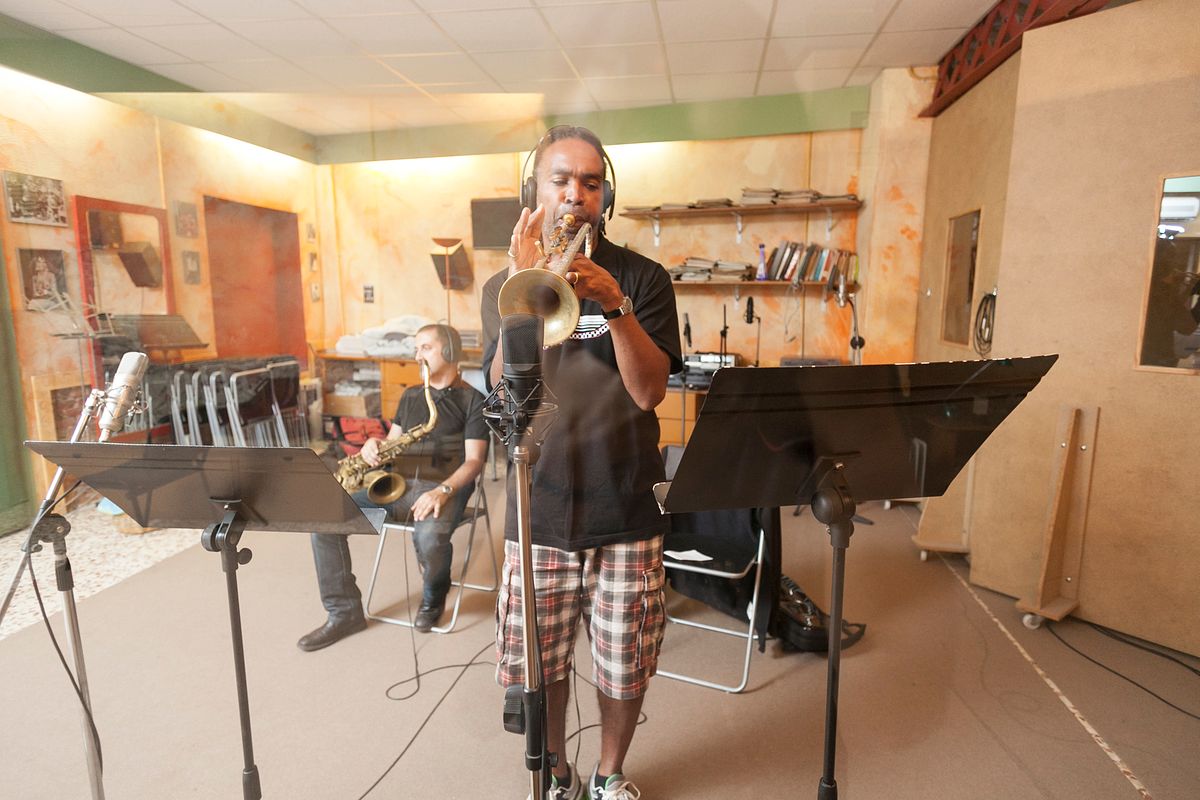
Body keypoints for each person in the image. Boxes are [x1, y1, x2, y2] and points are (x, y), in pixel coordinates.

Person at [482, 126, 681, 800]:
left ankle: (609, 772)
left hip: (625, 500)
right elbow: (506, 398)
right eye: (561, 180)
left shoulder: (644, 279)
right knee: (541, 664)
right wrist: (520, 292)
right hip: (538, 504)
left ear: (606, 196)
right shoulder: (503, 285)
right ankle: (559, 770)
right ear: (533, 193)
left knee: (625, 663)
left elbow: (649, 391)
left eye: (590, 183)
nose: (575, 195)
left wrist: (613, 304)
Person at [298, 324, 489, 650]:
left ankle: (433, 598)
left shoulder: (473, 400)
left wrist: (441, 491)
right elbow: (393, 441)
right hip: (396, 485)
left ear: (449, 352)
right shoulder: (411, 395)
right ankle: (344, 613)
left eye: (425, 348)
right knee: (324, 522)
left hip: (443, 489)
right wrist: (373, 446)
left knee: (429, 536)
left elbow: (474, 461)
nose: (418, 356)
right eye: (416, 349)